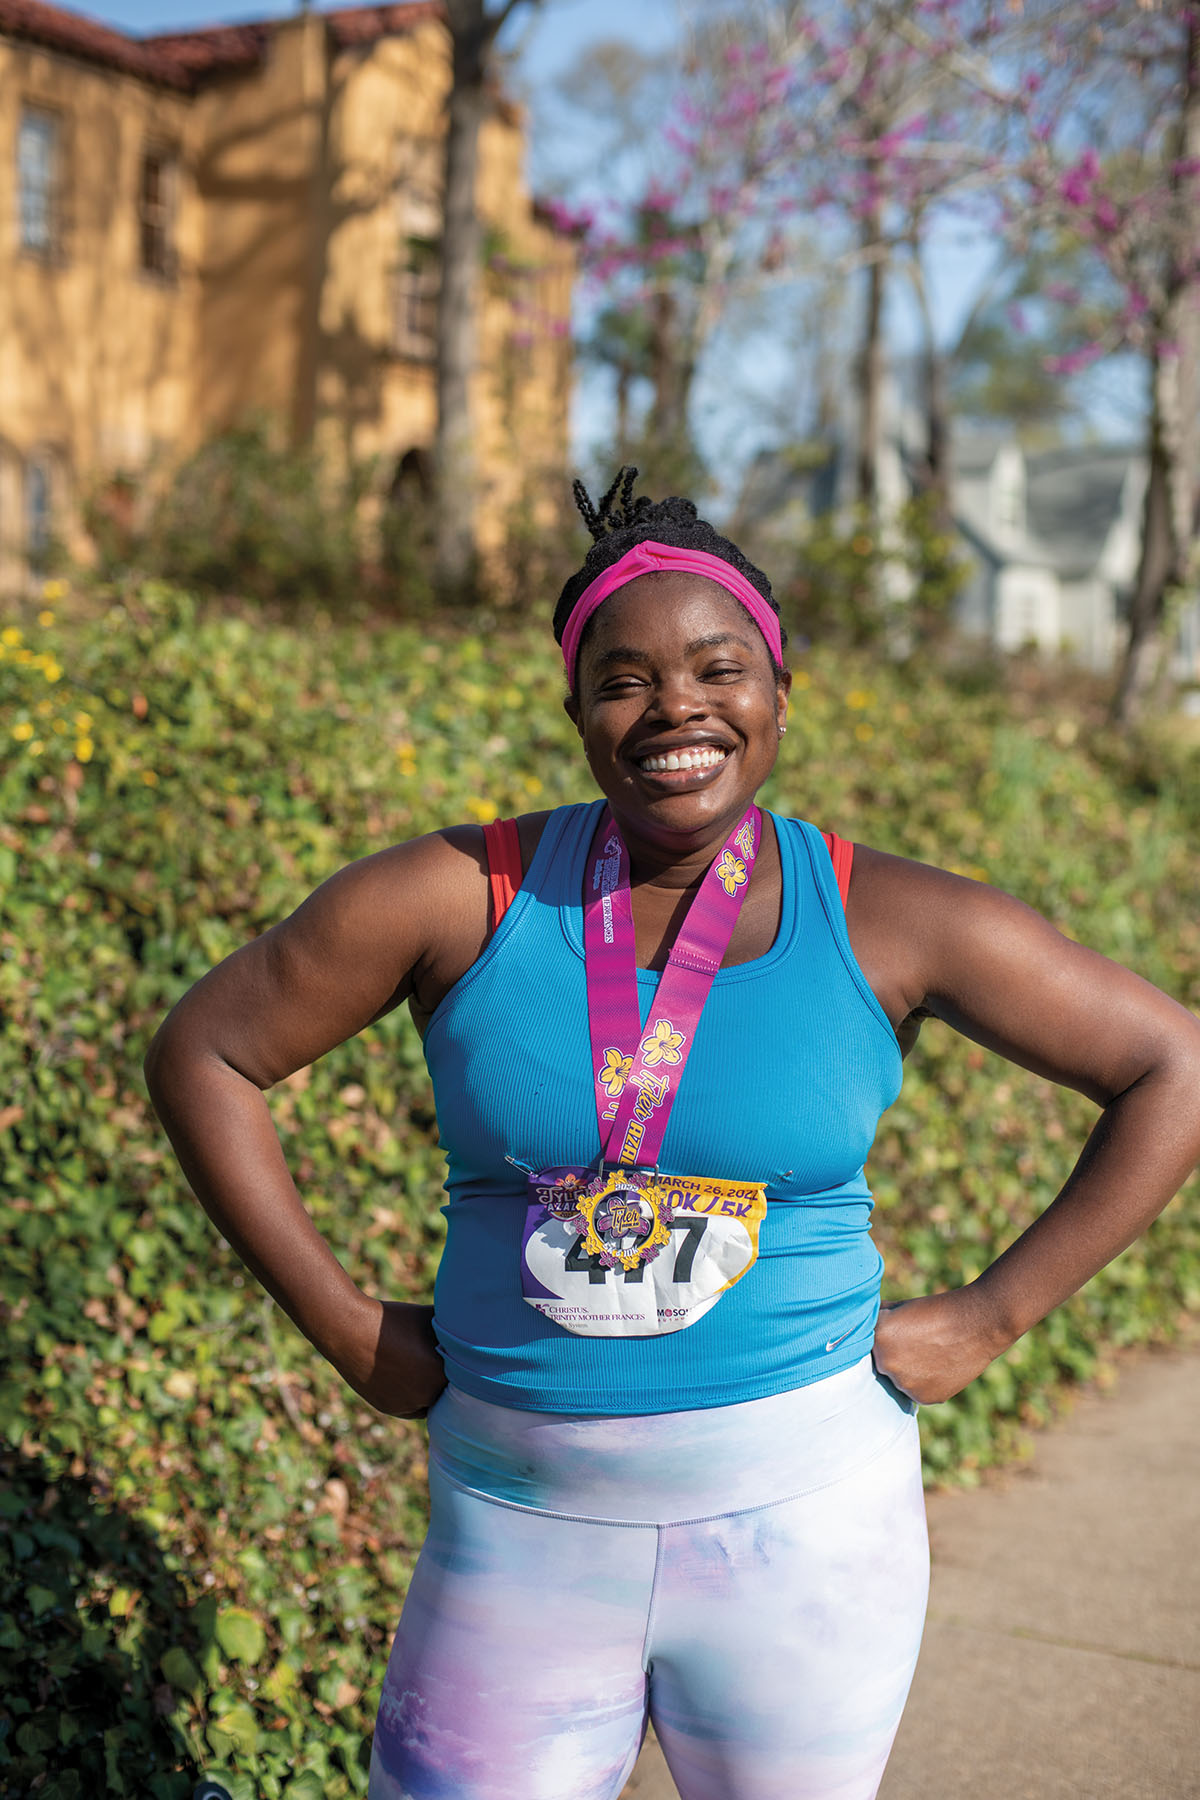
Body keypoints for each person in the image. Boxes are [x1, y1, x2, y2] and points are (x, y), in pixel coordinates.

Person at [144, 468, 1200, 1800]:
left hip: (805, 1536)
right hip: (517, 1532)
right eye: (625, 679)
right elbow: (206, 1050)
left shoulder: (888, 917)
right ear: (577, 706)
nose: (676, 710)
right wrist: (346, 1327)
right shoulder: (459, 894)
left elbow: (1174, 1066)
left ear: (778, 689)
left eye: (719, 669)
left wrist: (992, 1317)